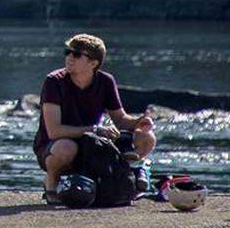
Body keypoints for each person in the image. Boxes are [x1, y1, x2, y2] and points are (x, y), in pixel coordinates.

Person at [34, 33, 156, 204]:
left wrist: (139, 122)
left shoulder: (106, 81)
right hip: (55, 145)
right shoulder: (54, 81)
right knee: (65, 147)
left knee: (147, 138)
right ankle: (52, 182)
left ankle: (126, 174)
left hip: (92, 144)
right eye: (67, 52)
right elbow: (54, 131)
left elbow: (120, 119)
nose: (69, 57)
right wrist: (95, 130)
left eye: (76, 54)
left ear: (93, 63)